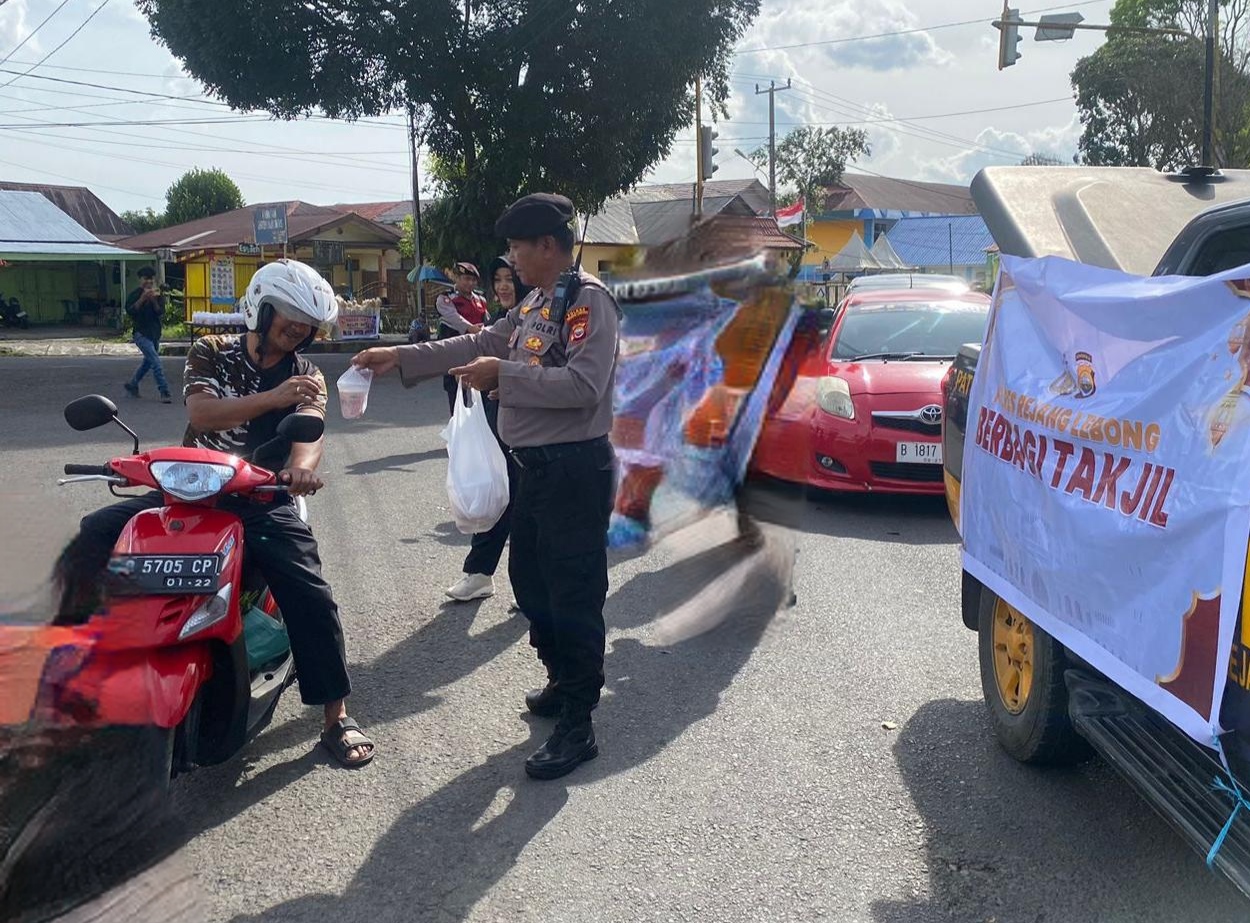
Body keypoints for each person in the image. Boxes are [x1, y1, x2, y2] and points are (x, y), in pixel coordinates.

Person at [52, 259, 375, 768]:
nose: (296, 331)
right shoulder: (212, 351)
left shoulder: (307, 374)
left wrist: (300, 470)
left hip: (260, 496)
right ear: (260, 309)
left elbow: (309, 435)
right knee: (95, 535)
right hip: (188, 489)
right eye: (289, 317)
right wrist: (272, 397)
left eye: (306, 326)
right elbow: (201, 414)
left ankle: (336, 714)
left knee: (309, 592)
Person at [354, 193, 620, 780]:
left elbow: (584, 385)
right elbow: (478, 342)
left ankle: (580, 719)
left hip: (574, 468)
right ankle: (560, 676)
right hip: (532, 471)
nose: (511, 257)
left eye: (518, 246)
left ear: (547, 245)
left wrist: (507, 376)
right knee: (529, 584)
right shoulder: (535, 302)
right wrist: (398, 355)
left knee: (573, 594)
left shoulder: (586, 302)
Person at [445, 256, 530, 602]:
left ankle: (529, 590)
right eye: (498, 279)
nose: (504, 285)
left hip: (529, 430)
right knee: (498, 494)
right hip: (495, 423)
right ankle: (480, 574)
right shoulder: (496, 321)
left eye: (510, 278)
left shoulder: (540, 319)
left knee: (524, 507)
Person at [436, 262, 490, 415]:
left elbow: (487, 320)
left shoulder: (481, 300)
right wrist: (470, 328)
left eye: (473, 280)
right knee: (456, 394)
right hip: (454, 352)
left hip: (476, 351)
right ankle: (458, 428)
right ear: (457, 278)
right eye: (466, 279)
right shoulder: (446, 298)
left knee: (481, 390)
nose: (470, 283)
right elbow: (454, 317)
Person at [123, 267, 172, 403]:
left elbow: (160, 312)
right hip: (141, 333)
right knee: (156, 362)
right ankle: (164, 391)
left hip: (154, 333)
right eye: (146, 279)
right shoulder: (135, 294)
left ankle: (133, 384)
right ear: (141, 280)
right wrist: (142, 299)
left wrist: (153, 300)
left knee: (148, 363)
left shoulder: (157, 295)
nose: (148, 282)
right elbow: (131, 311)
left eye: (150, 279)